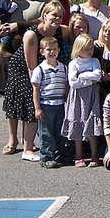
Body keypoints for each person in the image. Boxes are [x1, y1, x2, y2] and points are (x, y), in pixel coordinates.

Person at [0, 0, 59, 160]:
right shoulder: (32, 34)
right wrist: (37, 85)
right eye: (53, 15)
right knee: (28, 106)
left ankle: (29, 143)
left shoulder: (55, 31)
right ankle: (25, 148)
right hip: (22, 68)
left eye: (59, 16)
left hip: (36, 68)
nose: (56, 19)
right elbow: (31, 67)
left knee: (29, 106)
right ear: (44, 15)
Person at [0, 0, 45, 100]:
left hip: (32, 54)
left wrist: (17, 26)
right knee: (10, 98)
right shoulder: (9, 0)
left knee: (31, 96)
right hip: (8, 53)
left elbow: (43, 22)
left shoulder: (43, 2)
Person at [62, 33, 103, 167]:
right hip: (77, 98)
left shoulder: (94, 61)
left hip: (91, 97)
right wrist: (89, 80)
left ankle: (94, 155)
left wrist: (83, 76)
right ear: (79, 49)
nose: (90, 51)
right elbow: (73, 82)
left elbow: (97, 75)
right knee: (78, 123)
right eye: (87, 49)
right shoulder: (73, 63)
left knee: (91, 123)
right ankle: (78, 155)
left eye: (91, 48)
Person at [30, 36, 68, 168]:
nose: (52, 52)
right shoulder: (39, 70)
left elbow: (66, 86)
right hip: (46, 105)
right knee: (46, 133)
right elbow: (36, 89)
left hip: (60, 105)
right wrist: (37, 108)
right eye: (48, 50)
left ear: (58, 50)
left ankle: (58, 156)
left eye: (54, 49)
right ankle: (46, 156)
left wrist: (66, 100)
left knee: (60, 131)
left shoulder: (64, 67)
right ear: (42, 52)